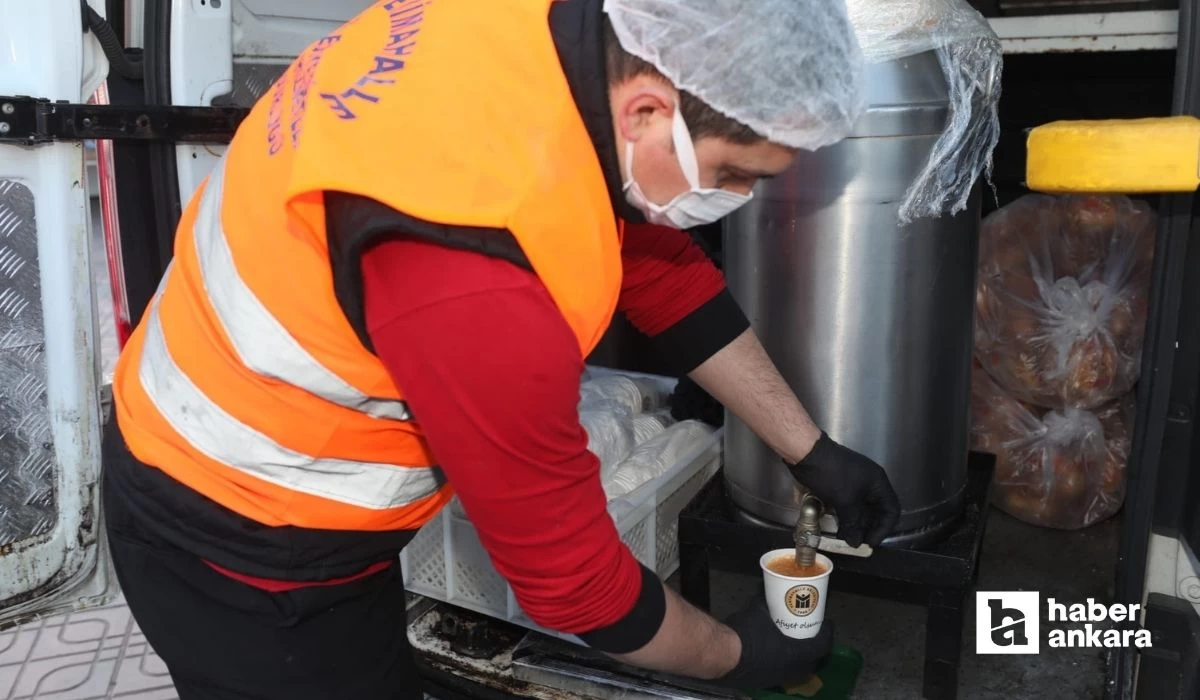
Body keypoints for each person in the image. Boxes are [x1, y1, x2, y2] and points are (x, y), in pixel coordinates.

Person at [101, 0, 901, 697]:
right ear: (650, 113)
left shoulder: (557, 33)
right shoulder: (472, 277)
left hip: (268, 462)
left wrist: (810, 448)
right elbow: (576, 585)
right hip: (237, 546)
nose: (737, 199)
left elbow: (660, 274)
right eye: (732, 172)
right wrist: (735, 656)